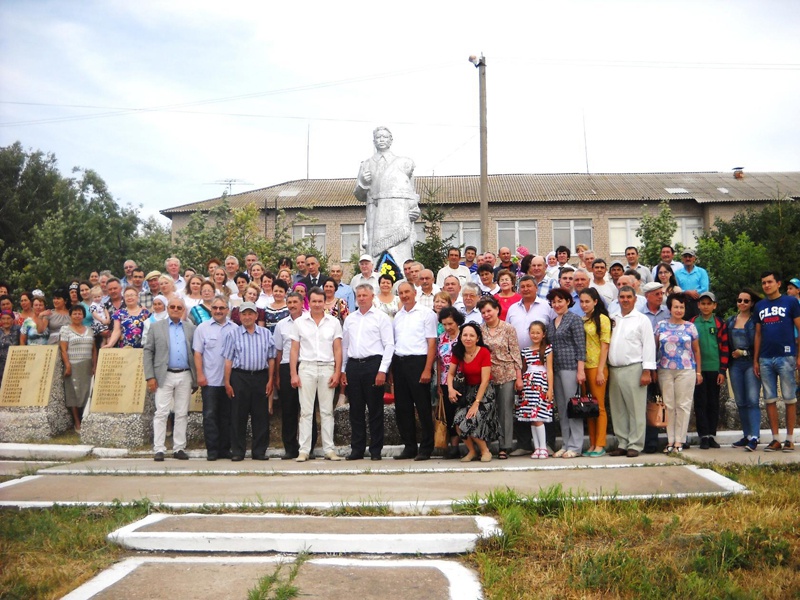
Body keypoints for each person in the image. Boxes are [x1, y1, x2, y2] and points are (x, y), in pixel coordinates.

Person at [341, 284, 395, 461]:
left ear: (373, 296)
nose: (362, 298)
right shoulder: (350, 319)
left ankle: (375, 450)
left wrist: (382, 370)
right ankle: (357, 448)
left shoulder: (381, 318)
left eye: (365, 295)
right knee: (355, 410)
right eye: (359, 295)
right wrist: (343, 370)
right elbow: (345, 346)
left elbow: (389, 345)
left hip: (373, 365)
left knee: (375, 410)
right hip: (354, 366)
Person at [290, 287, 343, 462]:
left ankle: (329, 449)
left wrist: (337, 372)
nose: (317, 304)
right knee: (306, 412)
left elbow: (337, 349)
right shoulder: (299, 322)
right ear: (309, 302)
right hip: (306, 367)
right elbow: (294, 349)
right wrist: (293, 374)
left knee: (327, 411)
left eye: (320, 301)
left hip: (327, 367)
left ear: (324, 302)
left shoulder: (333, 322)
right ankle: (304, 450)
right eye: (314, 301)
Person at [354, 126, 420, 267]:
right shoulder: (366, 164)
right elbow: (359, 195)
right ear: (374, 141)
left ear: (391, 140)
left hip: (398, 215)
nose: (381, 140)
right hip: (375, 213)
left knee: (400, 252)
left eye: (385, 137)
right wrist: (364, 182)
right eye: (378, 137)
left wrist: (415, 210)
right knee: (376, 254)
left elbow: (411, 192)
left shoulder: (403, 163)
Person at [143, 298, 196, 461]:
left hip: (185, 374)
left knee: (181, 412)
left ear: (183, 310)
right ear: (167, 308)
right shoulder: (156, 327)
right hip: (163, 374)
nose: (175, 309)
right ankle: (159, 448)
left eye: (179, 307)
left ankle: (179, 448)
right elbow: (148, 351)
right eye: (172, 307)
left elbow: (195, 353)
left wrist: (195, 379)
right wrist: (150, 376)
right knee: (161, 412)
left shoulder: (191, 328)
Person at [607, 286, 657, 457]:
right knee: (618, 408)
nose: (625, 300)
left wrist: (647, 371)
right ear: (618, 299)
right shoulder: (612, 318)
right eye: (622, 297)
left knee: (636, 409)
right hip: (614, 369)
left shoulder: (642, 320)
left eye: (629, 296)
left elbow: (649, 346)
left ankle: (635, 444)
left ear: (635, 299)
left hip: (634, 368)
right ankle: (622, 442)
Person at [753, 270, 800, 452]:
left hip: (786, 355)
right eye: (764, 282)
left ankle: (789, 438)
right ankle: (775, 438)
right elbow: (758, 334)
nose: (766, 285)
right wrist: (756, 359)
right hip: (765, 357)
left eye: (770, 282)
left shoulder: (790, 302)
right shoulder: (760, 306)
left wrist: (798, 355)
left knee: (789, 398)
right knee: (769, 399)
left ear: (778, 283)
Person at [223, 301, 276, 461]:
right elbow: (228, 360)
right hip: (239, 377)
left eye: (250, 313)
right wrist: (227, 382)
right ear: (239, 316)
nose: (247, 317)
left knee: (261, 415)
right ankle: (238, 451)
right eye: (244, 314)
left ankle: (259, 451)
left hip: (260, 376)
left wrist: (271, 380)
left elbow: (271, 358)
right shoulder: (233, 334)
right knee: (238, 414)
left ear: (256, 315)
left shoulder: (266, 333)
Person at [392, 281, 438, 460]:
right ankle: (409, 446)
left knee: (423, 407)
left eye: (407, 292)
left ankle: (426, 447)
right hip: (400, 362)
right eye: (401, 293)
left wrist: (427, 369)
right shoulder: (398, 316)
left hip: (419, 362)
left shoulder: (427, 314)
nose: (404, 296)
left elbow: (431, 343)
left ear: (414, 293)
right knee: (403, 408)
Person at [654, 293, 701, 454]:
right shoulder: (660, 326)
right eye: (676, 307)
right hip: (665, 369)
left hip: (686, 369)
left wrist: (699, 371)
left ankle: (680, 440)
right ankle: (670, 439)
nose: (679, 310)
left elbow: (696, 350)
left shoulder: (690, 327)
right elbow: (655, 349)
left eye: (682, 307)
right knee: (669, 405)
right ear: (669, 308)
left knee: (683, 405)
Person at [478, 296, 522, 460]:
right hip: (487, 375)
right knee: (489, 411)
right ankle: (487, 445)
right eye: (483, 312)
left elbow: (515, 352)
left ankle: (504, 446)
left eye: (489, 310)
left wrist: (519, 377)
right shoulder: (481, 330)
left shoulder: (508, 328)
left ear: (497, 309)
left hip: (507, 373)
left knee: (505, 411)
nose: (486, 314)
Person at [545, 288, 587, 458]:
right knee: (561, 409)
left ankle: (576, 446)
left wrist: (580, 370)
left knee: (573, 407)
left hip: (571, 367)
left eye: (560, 301)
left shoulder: (574, 319)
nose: (557, 304)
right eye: (554, 302)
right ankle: (566, 443)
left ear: (568, 301)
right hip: (556, 368)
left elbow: (580, 346)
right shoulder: (552, 322)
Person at [448, 322, 498, 462]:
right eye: (465, 335)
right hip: (467, 392)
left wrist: (477, 403)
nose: (468, 338)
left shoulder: (483, 352)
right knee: (458, 421)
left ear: (477, 338)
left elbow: (485, 380)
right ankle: (471, 451)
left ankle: (485, 451)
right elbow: (450, 374)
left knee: (471, 419)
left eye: (471, 335)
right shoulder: (458, 351)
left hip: (484, 393)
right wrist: (450, 389)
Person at [193, 296, 235, 461]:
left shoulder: (235, 328)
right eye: (215, 308)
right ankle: (212, 449)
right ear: (211, 309)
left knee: (227, 416)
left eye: (222, 308)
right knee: (210, 415)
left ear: (227, 310)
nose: (218, 311)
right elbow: (198, 353)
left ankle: (225, 449)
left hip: (229, 381)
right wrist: (200, 375)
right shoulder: (202, 329)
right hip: (209, 380)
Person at [691, 292, 729, 449]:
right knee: (700, 402)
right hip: (698, 370)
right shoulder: (692, 322)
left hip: (715, 369)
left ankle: (712, 435)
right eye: (703, 303)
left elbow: (725, 347)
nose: (706, 306)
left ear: (715, 305)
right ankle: (703, 436)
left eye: (709, 303)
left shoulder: (720, 323)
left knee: (713, 403)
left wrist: (722, 370)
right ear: (698, 305)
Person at [727, 288, 762, 452]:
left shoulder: (756, 321)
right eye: (739, 300)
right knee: (740, 401)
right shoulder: (731, 321)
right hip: (735, 365)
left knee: (753, 400)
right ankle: (747, 435)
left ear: (752, 303)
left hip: (751, 363)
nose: (742, 303)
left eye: (746, 301)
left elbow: (759, 344)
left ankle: (755, 436)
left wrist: (745, 353)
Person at [273, 292, 305, 460]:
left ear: (301, 303)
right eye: (290, 302)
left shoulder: (309, 320)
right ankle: (290, 448)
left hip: (305, 365)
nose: (292, 305)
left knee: (307, 408)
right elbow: (278, 351)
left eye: (295, 302)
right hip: (286, 367)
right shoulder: (281, 325)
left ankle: (308, 446)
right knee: (289, 410)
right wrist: (278, 376)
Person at [580, 288, 611, 457]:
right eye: (582, 301)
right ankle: (592, 443)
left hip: (597, 367)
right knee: (588, 408)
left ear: (595, 301)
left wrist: (600, 370)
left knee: (599, 407)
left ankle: (600, 444)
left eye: (587, 301)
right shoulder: (583, 320)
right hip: (583, 367)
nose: (584, 304)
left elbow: (605, 345)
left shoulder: (602, 319)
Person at [518, 321, 554, 459]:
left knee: (539, 416)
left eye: (538, 332)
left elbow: (550, 370)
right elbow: (524, 368)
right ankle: (537, 447)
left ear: (543, 334)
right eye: (532, 332)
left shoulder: (547, 349)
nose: (535, 335)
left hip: (541, 384)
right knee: (532, 418)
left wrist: (550, 388)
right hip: (529, 385)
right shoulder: (526, 351)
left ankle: (544, 447)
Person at [59, 304, 97, 432]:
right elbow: (63, 349)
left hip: (87, 365)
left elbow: (94, 349)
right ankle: (77, 422)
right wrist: (67, 365)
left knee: (87, 392)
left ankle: (86, 420)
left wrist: (94, 365)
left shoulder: (89, 330)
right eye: (74, 313)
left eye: (79, 313)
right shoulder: (65, 329)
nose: (77, 315)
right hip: (73, 365)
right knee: (73, 394)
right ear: (70, 315)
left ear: (83, 316)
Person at [438, 306, 466, 459]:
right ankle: (454, 447)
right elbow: (439, 361)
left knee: (464, 413)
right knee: (450, 415)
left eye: (450, 323)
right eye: (444, 324)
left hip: (464, 380)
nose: (448, 327)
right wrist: (439, 385)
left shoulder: (465, 335)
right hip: (445, 380)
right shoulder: (441, 338)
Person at [675, 250, 708, 319]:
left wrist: (694, 293)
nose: (688, 259)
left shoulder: (701, 272)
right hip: (683, 303)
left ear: (694, 258)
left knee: (698, 324)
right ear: (682, 259)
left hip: (698, 303)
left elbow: (705, 288)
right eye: (685, 256)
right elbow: (675, 289)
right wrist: (687, 292)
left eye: (690, 256)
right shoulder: (677, 273)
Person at [0, 310, 21, 388]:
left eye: (8, 318)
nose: (6, 321)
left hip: (15, 365)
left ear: (13, 319)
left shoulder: (18, 330)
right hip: (1, 365)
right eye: (3, 319)